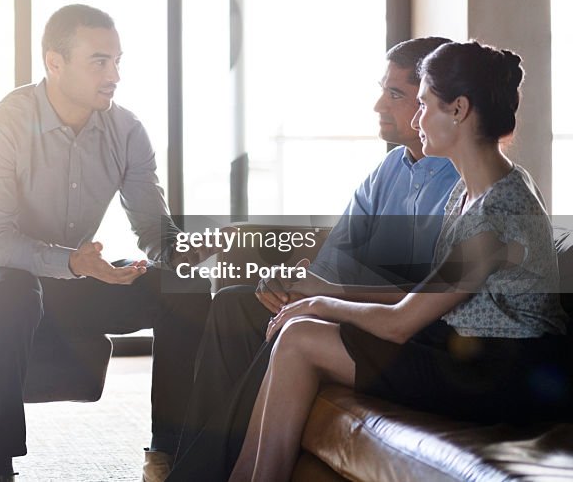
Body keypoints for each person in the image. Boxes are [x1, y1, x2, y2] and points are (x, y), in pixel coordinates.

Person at [228, 40, 569, 482]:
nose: (416, 118)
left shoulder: (496, 212)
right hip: (465, 350)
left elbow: (400, 323)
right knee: (298, 331)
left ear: (459, 110)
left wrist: (322, 303)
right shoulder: (471, 191)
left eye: (423, 104)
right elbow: (425, 298)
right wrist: (325, 295)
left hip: (500, 374)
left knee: (300, 337)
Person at [169, 37, 461, 482]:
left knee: (290, 327)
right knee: (234, 305)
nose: (379, 104)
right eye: (383, 90)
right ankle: (192, 463)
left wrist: (323, 294)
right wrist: (290, 280)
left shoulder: (464, 181)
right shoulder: (389, 169)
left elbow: (421, 299)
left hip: (394, 320)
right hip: (352, 304)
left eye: (397, 95)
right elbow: (338, 251)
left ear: (433, 103)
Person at [0, 4, 214, 482]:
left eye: (117, 61)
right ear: (55, 62)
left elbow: (155, 231)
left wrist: (193, 253)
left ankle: (168, 455)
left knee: (182, 289)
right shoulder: (2, 124)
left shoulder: (126, 130)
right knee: (12, 289)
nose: (114, 74)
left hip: (72, 284)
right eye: (99, 61)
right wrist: (72, 262)